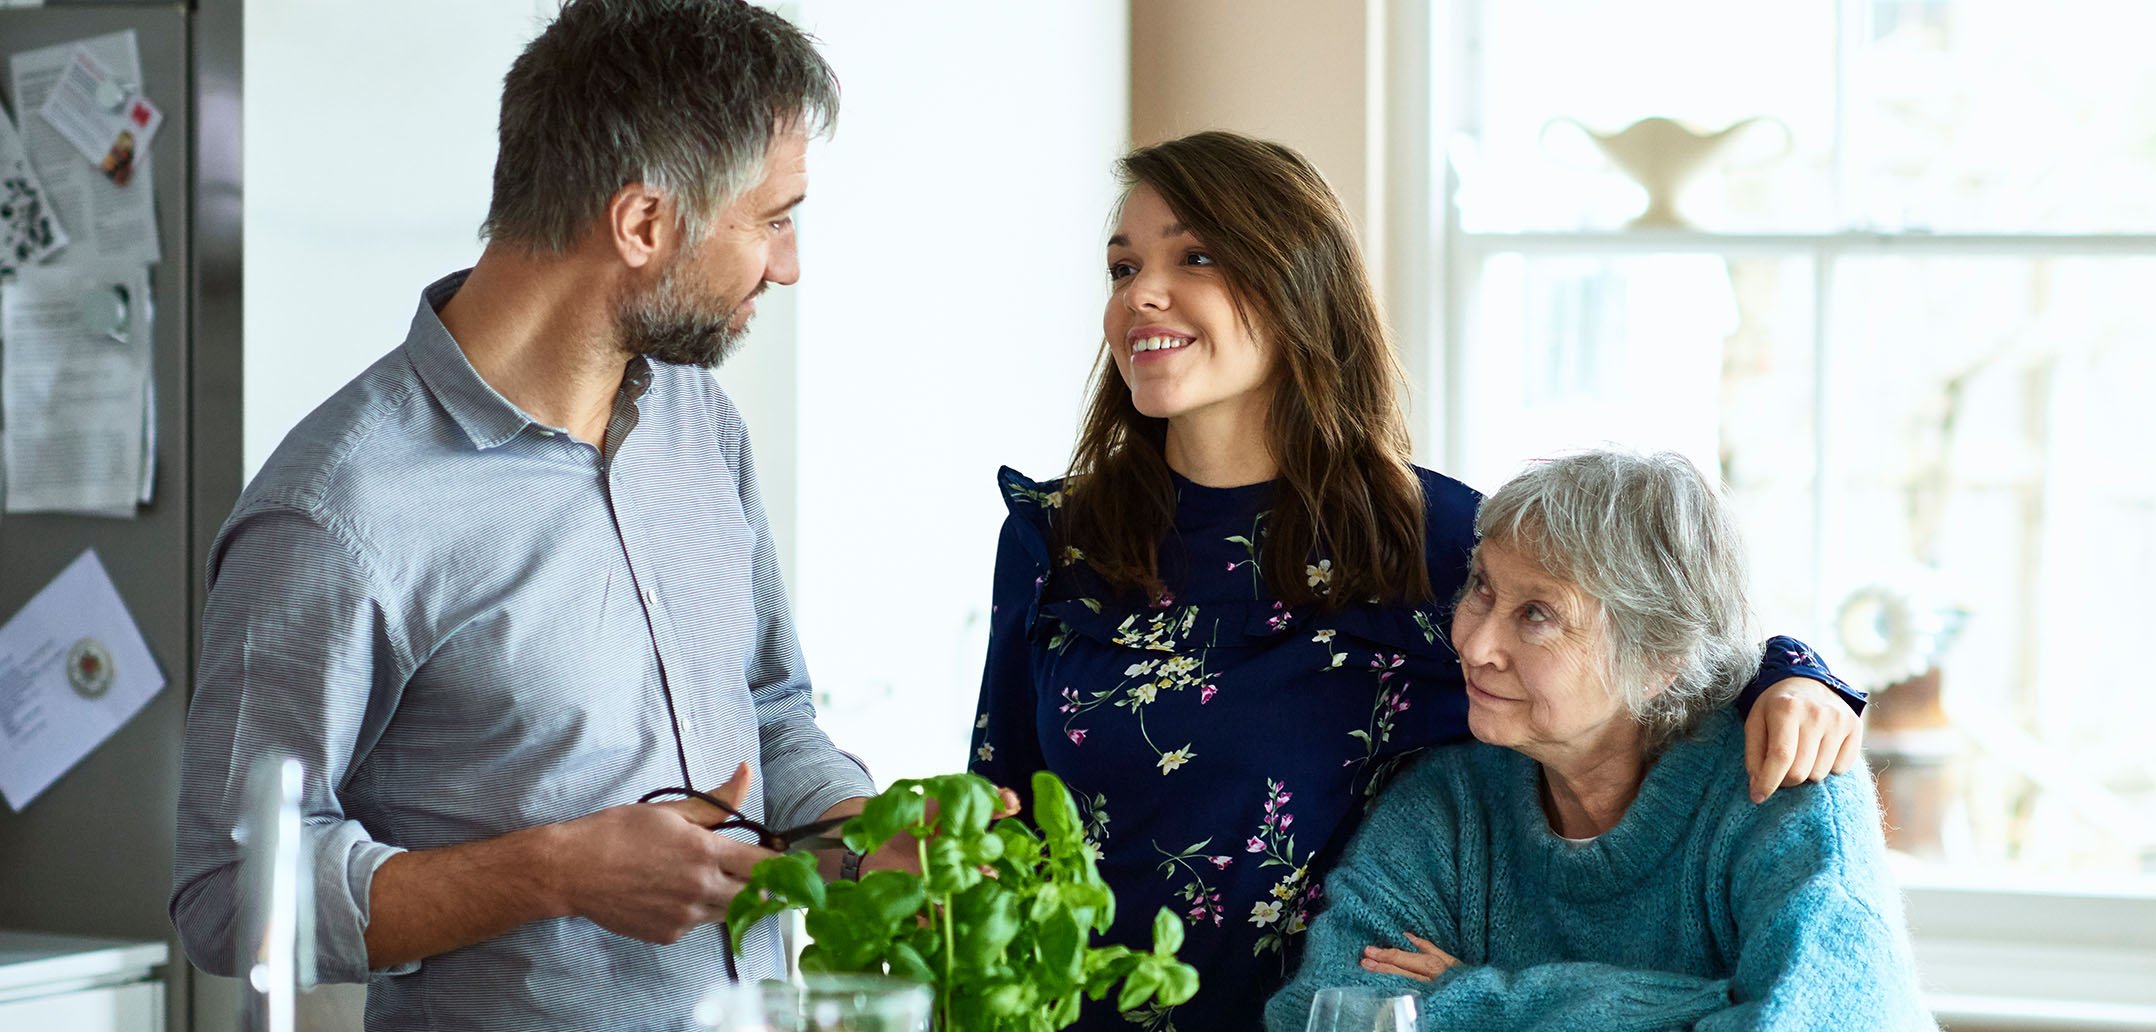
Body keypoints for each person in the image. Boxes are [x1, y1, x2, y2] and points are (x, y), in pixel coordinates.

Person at [968, 131, 1869, 1032]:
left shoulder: (1423, 537)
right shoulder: (1056, 537)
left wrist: (1797, 673)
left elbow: (1648, 641)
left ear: (1296, 287)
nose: (1141, 294)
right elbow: (998, 801)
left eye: (1194, 255)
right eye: (1123, 267)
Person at [170, 3, 893, 1028]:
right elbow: (225, 894)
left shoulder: (698, 426)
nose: (787, 263)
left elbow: (770, 711)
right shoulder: (336, 512)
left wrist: (865, 828)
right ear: (643, 224)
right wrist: (554, 873)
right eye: (772, 218)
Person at [1266, 450, 1931, 1030]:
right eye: (1482, 589)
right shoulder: (1448, 806)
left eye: (1536, 615)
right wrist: (1696, 1006)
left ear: (1658, 659)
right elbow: (1326, 1015)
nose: (1473, 642)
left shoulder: (1784, 786)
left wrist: (1471, 1000)